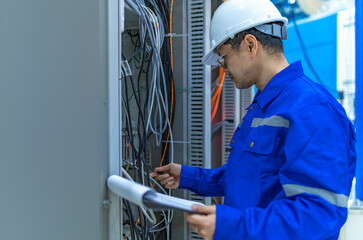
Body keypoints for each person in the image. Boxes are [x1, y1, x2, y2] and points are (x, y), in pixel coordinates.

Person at [149, 0, 357, 239]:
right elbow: (248, 178)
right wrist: (187, 176)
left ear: (250, 45)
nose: (223, 67)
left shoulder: (313, 110)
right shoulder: (262, 107)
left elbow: (318, 216)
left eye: (223, 56)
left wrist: (234, 225)